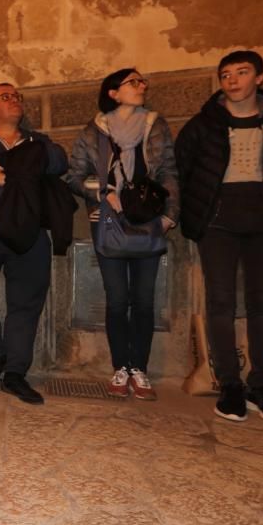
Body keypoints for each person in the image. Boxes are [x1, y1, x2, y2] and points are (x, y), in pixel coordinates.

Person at [176, 50, 263, 426]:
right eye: (226, 74)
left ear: (259, 78)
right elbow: (185, 170)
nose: (232, 80)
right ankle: (230, 384)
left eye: (242, 72)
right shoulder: (204, 124)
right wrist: (197, 216)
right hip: (219, 220)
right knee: (220, 302)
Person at [65, 69, 179, 400]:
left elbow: (169, 170)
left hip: (149, 220)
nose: (141, 86)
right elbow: (74, 175)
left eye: (142, 81)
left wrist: (170, 216)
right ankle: (120, 367)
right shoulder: (94, 131)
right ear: (113, 92)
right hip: (110, 222)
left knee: (144, 300)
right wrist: (102, 193)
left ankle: (138, 369)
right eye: (133, 82)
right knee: (116, 300)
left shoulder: (154, 125)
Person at [0, 83, 69, 405]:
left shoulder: (39, 142)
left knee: (25, 303)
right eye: (5, 97)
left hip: (30, 232)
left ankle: (16, 375)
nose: (14, 99)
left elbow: (58, 161)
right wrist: (23, 173)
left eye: (17, 96)